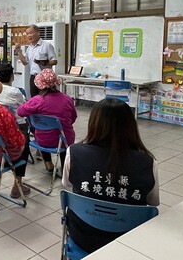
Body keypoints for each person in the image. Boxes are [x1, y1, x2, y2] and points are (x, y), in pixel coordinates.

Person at [62, 98, 159, 254]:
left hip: (83, 238)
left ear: (93, 123)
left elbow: (67, 184)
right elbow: (153, 202)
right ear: (130, 127)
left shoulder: (74, 153)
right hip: (128, 242)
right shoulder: (147, 162)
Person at [17, 69, 76, 172]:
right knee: (64, 136)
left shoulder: (36, 100)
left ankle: (48, 163)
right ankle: (64, 170)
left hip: (42, 140)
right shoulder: (67, 99)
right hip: (63, 141)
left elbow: (20, 112)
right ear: (56, 83)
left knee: (43, 131)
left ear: (39, 85)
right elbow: (73, 118)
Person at [15, 24, 57, 97]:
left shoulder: (47, 45)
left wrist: (44, 62)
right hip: (33, 77)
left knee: (46, 98)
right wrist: (19, 51)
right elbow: (25, 62)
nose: (29, 36)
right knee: (34, 98)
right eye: (27, 34)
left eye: (31, 33)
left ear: (38, 32)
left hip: (45, 77)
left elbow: (54, 61)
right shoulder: (29, 48)